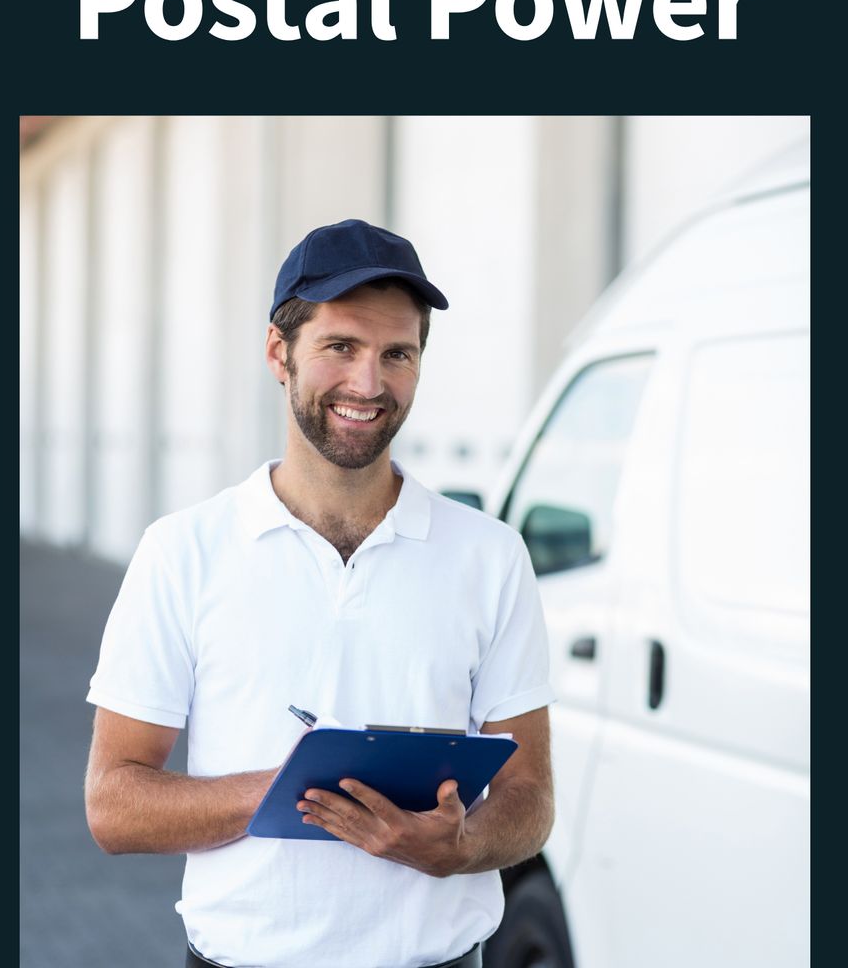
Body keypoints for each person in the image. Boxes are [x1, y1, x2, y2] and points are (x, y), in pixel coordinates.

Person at [84, 218, 555, 968]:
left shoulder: (490, 557)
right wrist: (297, 790)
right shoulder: (184, 551)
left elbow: (530, 800)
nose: (368, 385)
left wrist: (461, 844)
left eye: (396, 354)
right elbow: (113, 805)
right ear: (280, 352)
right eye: (341, 347)